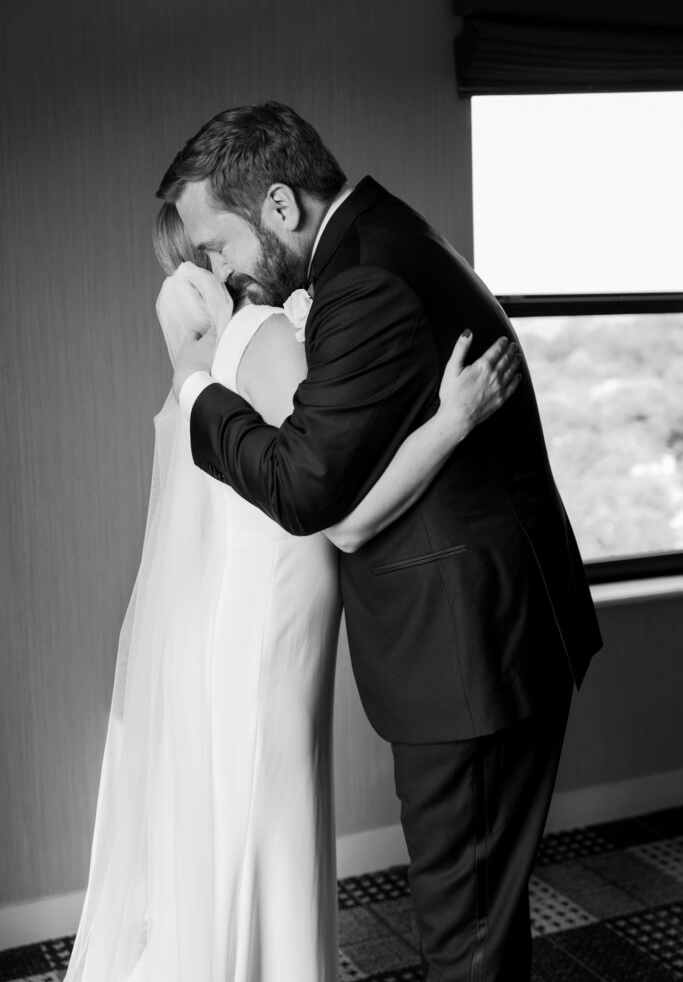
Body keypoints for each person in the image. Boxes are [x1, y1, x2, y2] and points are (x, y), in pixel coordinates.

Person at [160, 101, 603, 982]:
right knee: (479, 918)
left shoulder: (363, 280)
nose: (216, 268)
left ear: (280, 208)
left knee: (463, 935)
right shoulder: (390, 238)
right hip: (489, 631)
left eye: (220, 242)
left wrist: (196, 392)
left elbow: (302, 487)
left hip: (466, 651)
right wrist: (446, 425)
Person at [62, 198, 520, 982]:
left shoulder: (212, 361)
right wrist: (451, 420)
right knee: (264, 834)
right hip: (265, 636)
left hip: (243, 622)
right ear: (218, 263)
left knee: (240, 840)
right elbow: (341, 516)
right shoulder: (265, 339)